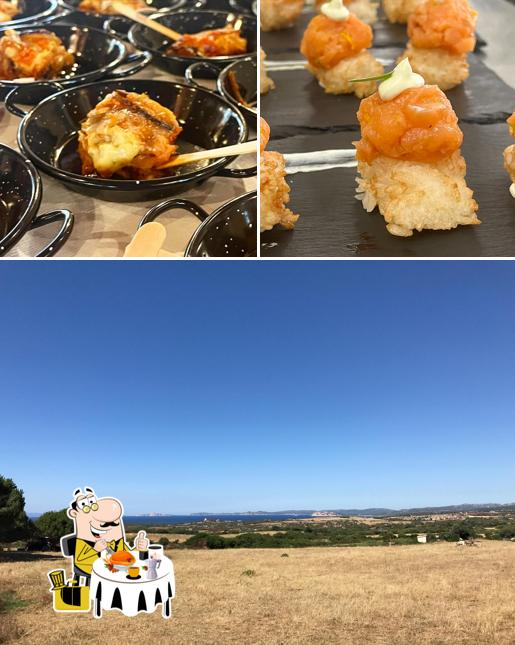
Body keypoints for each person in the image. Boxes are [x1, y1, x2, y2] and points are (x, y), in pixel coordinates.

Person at [61, 486, 149, 584]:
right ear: (75, 513)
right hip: (90, 570)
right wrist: (95, 550)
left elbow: (126, 554)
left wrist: (139, 549)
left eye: (113, 523)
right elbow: (80, 559)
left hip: (113, 569)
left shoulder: (116, 541)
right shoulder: (83, 541)